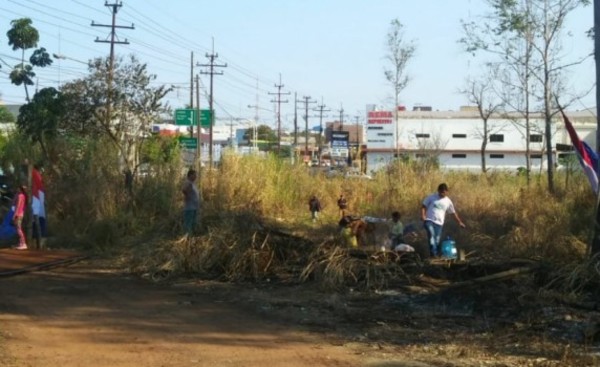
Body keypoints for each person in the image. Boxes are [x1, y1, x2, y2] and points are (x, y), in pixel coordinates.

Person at [421, 183, 465, 257]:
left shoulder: (448, 201)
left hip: (439, 224)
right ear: (438, 191)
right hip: (429, 220)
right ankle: (433, 255)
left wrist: (459, 222)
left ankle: (436, 255)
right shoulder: (432, 197)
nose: (442, 194)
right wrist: (423, 216)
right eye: (441, 192)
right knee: (431, 235)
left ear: (447, 191)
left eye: (444, 192)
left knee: (437, 241)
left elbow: (453, 213)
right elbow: (423, 206)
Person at [181, 169, 200, 235]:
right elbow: (184, 190)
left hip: (194, 207)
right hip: (190, 207)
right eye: (194, 175)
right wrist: (187, 196)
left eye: (196, 175)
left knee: (193, 222)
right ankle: (187, 236)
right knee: (189, 222)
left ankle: (191, 236)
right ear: (190, 175)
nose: (196, 176)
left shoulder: (192, 183)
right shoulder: (188, 183)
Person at [13, 185, 27, 250]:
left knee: (18, 228)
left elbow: (18, 206)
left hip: (18, 214)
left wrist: (15, 214)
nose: (17, 190)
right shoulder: (23, 196)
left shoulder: (20, 196)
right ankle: (21, 243)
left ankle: (23, 243)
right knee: (18, 228)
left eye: (18, 189)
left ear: (20, 189)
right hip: (21, 213)